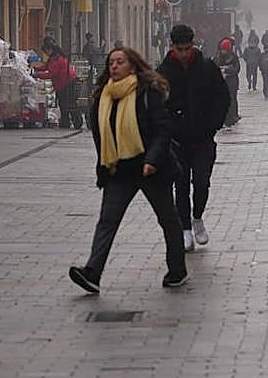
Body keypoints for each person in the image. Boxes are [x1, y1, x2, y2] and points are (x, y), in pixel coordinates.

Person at [69, 46, 187, 292]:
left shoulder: (147, 92)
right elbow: (100, 135)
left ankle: (177, 269)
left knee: (168, 219)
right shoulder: (104, 95)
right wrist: (104, 163)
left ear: (132, 66)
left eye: (120, 62)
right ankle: (92, 272)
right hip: (119, 169)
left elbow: (162, 130)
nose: (114, 66)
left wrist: (152, 160)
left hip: (149, 168)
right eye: (111, 62)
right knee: (107, 222)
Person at [157, 24, 230, 252]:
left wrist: (213, 125)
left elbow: (222, 98)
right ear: (173, 47)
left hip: (203, 139)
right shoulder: (164, 72)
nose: (184, 53)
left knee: (201, 182)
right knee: (180, 186)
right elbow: (157, 107)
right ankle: (185, 229)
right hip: (176, 141)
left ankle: (197, 216)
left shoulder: (207, 67)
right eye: (180, 49)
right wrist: (167, 129)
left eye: (187, 48)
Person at [36, 42, 78, 129]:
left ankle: (71, 122)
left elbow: (52, 73)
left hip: (66, 83)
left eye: (46, 51)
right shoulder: (54, 58)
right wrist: (36, 68)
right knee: (65, 103)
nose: (46, 54)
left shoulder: (57, 59)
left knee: (67, 104)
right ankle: (67, 122)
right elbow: (47, 67)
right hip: (63, 83)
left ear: (49, 49)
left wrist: (38, 75)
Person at [215, 38, 241, 128]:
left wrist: (227, 69)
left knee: (232, 99)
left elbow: (237, 69)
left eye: (224, 49)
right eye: (222, 49)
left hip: (231, 82)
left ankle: (232, 117)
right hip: (221, 82)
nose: (223, 51)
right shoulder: (218, 57)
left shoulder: (233, 57)